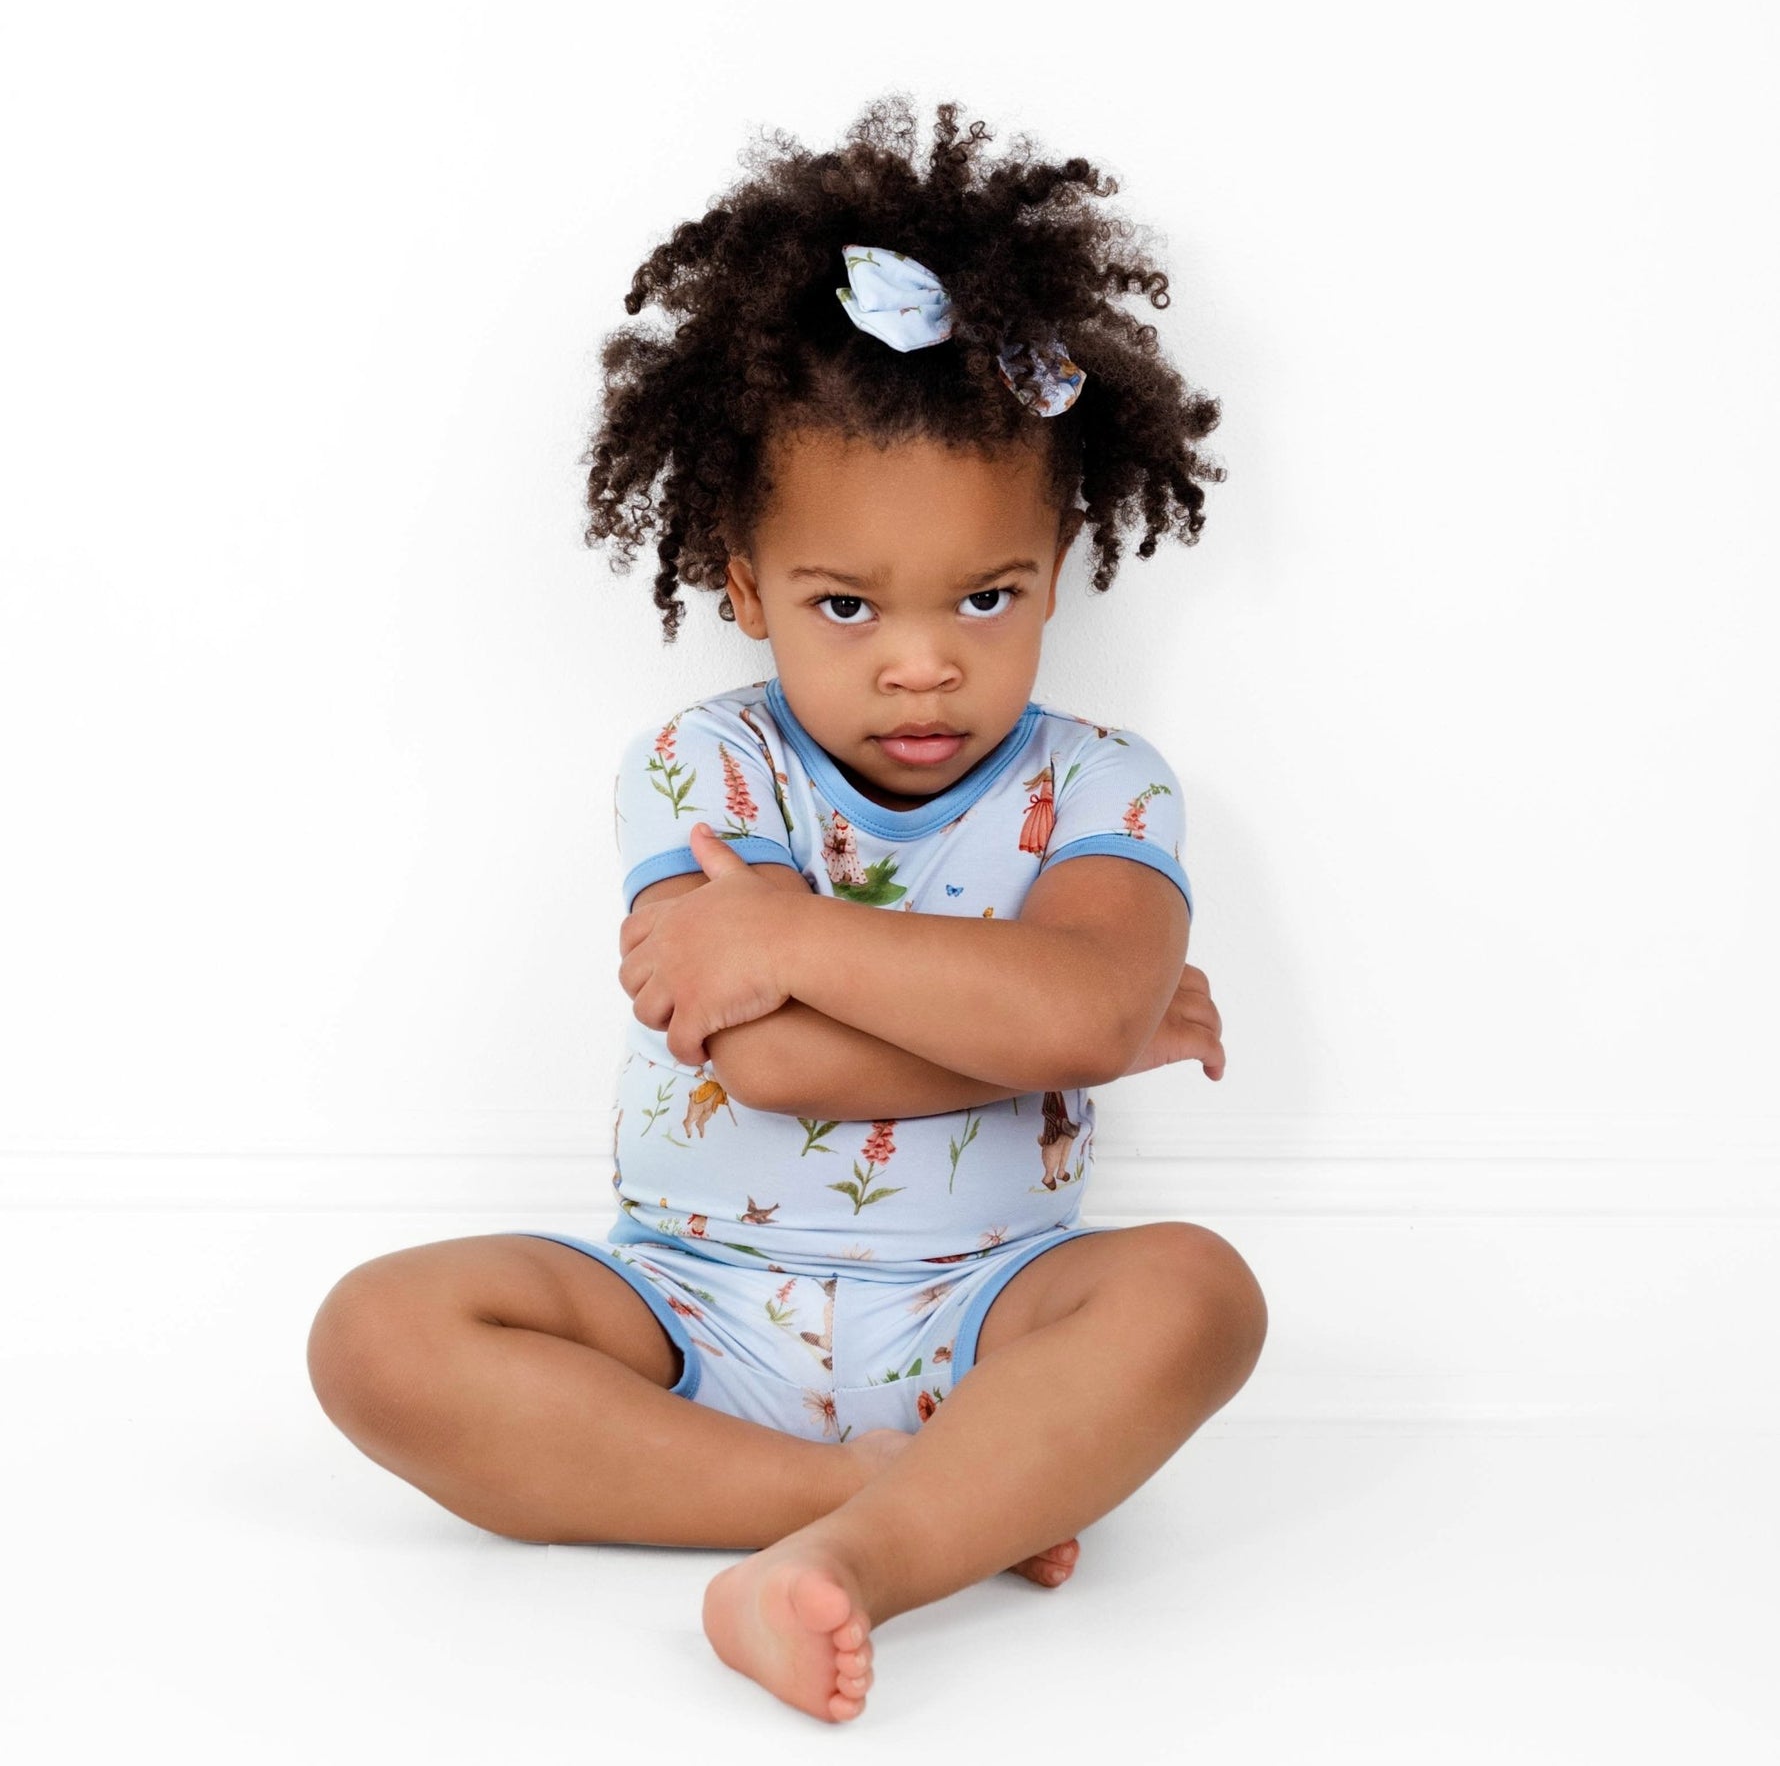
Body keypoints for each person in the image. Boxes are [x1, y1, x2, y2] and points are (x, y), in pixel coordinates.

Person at [307, 93, 1266, 1725]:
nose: (923, 658)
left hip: (986, 1307)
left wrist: (806, 941)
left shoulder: (1108, 788)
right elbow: (770, 1068)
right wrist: (1052, 1025)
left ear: (1059, 560)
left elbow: (1059, 1012)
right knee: (375, 1335)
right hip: (684, 1304)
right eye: (844, 602)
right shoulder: (703, 768)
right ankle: (890, 1500)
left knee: (1199, 1293)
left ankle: (849, 1566)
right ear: (744, 586)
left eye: (988, 595)